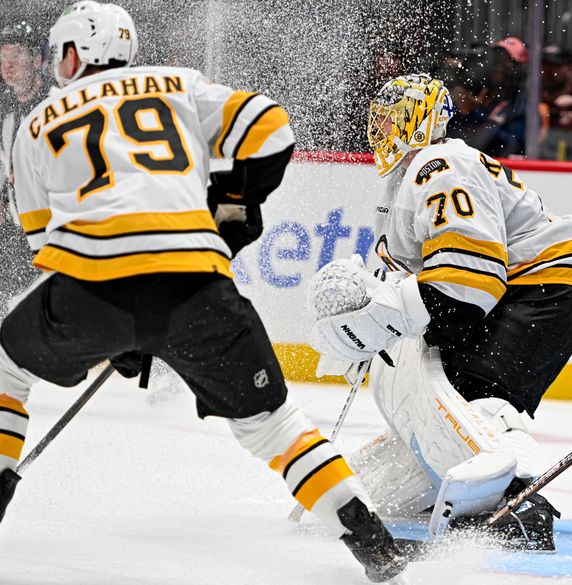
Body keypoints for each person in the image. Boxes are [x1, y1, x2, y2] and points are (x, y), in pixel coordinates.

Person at [0, 2, 406, 582]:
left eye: (58, 54)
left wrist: (117, 331)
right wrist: (234, 203)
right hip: (197, 284)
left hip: (92, 285)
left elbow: (44, 241)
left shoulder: (38, 121)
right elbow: (272, 127)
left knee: (6, 374)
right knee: (274, 426)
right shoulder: (179, 85)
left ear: (76, 53)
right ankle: (374, 547)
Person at [308, 73, 572, 550]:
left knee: (474, 386)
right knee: (455, 375)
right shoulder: (407, 181)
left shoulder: (440, 164)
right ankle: (455, 474)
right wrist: (372, 323)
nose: (380, 131)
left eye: (391, 120)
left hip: (550, 283)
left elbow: (468, 283)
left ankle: (519, 499)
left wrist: (378, 320)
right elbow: (420, 282)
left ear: (420, 122)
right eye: (377, 121)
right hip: (535, 285)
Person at [0, 19, 44, 315]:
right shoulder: (6, 114)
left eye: (16, 55)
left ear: (37, 60)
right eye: (2, 57)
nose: (8, 65)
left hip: (54, 236)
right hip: (18, 236)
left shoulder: (57, 104)